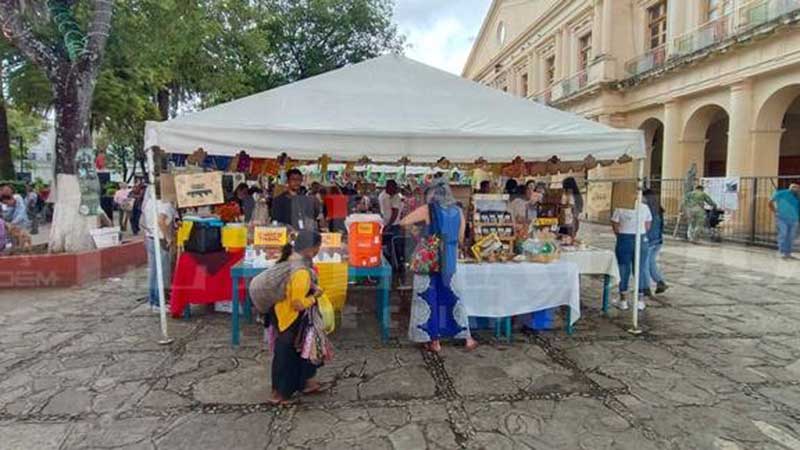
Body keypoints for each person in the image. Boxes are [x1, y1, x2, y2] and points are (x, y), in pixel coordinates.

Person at [400, 179, 478, 353]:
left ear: (431, 194)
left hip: (429, 258)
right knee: (451, 297)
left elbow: (403, 221)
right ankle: (467, 337)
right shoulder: (458, 211)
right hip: (449, 259)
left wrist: (419, 233)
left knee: (428, 297)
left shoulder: (429, 209)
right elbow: (459, 239)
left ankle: (434, 341)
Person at [268, 230, 326, 405]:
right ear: (311, 248)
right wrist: (315, 296)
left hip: (280, 313)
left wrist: (312, 286)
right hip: (290, 317)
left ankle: (304, 383)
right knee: (288, 355)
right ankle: (280, 395)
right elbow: (297, 304)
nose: (318, 250)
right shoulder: (300, 270)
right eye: (318, 247)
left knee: (299, 351)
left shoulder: (290, 258)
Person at [140, 184, 177, 313]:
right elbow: (161, 221)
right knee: (162, 272)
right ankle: (158, 303)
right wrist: (168, 237)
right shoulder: (165, 205)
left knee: (154, 272)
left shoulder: (149, 202)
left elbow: (143, 221)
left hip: (150, 237)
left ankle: (152, 300)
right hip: (160, 239)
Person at [611, 202, 652, 311]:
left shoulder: (620, 207)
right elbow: (648, 225)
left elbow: (615, 224)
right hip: (641, 238)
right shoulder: (644, 207)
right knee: (640, 269)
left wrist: (621, 235)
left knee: (623, 269)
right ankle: (640, 300)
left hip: (624, 238)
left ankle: (623, 300)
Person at [644, 189, 668, 294]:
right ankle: (660, 282)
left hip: (648, 240)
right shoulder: (658, 208)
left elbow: (647, 227)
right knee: (651, 262)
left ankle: (645, 287)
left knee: (644, 264)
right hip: (658, 241)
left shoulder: (647, 209)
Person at [769, 183, 800, 259]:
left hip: (794, 219)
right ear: (790, 188)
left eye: (797, 188)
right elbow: (770, 201)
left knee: (791, 237)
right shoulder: (781, 193)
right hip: (782, 218)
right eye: (794, 188)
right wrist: (775, 211)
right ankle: (782, 252)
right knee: (783, 234)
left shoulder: (798, 196)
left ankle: (788, 253)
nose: (796, 189)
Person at [379, 180, 404, 272]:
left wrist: (389, 225)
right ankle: (390, 264)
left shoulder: (396, 197)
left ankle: (397, 265)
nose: (395, 189)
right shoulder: (383, 196)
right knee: (388, 246)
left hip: (394, 225)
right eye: (394, 187)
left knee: (394, 246)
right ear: (388, 187)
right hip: (386, 224)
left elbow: (395, 212)